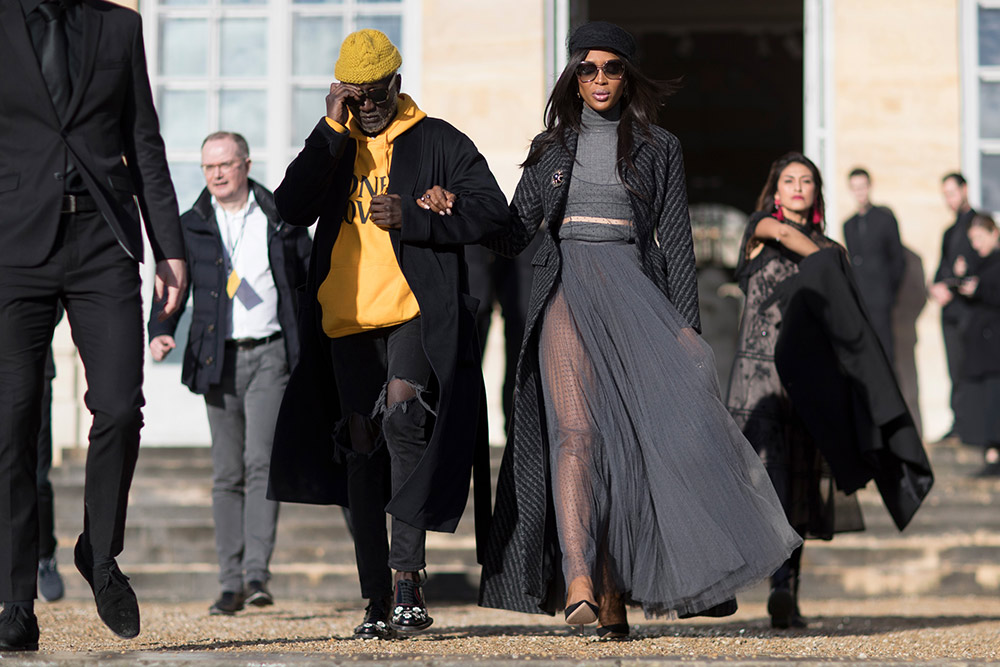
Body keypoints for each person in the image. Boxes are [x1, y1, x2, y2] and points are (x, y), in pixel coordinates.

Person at [478, 22, 801, 639]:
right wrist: (457, 210)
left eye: (612, 68)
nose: (599, 78)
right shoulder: (550, 147)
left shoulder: (661, 147)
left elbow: (676, 243)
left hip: (634, 292)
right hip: (566, 288)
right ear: (573, 76)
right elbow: (514, 230)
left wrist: (687, 329)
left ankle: (627, 587)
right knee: (575, 434)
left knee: (643, 444)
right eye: (588, 68)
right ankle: (579, 581)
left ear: (629, 75)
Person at [266, 30, 510, 640]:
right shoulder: (336, 144)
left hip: (411, 313)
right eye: (355, 96)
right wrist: (328, 130)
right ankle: (374, 597)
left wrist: (424, 216)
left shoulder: (437, 140)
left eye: (376, 94)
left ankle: (406, 582)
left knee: (404, 416)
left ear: (397, 85)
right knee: (361, 443)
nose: (366, 106)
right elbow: (290, 207)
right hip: (345, 322)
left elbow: (496, 215)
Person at [0, 0, 187, 651]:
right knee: (13, 418)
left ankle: (99, 554)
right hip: (14, 244)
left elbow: (144, 140)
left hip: (102, 240)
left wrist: (171, 247)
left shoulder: (120, 26)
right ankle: (14, 595)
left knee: (118, 405)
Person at [727, 152, 931, 630]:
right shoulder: (762, 228)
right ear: (775, 192)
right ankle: (772, 581)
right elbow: (786, 235)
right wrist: (828, 260)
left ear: (817, 192)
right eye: (789, 180)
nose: (798, 187)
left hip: (810, 380)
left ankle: (786, 590)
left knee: (799, 485)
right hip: (759, 380)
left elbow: (847, 326)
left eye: (807, 181)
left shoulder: (833, 249)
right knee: (770, 480)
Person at [148, 132, 311, 616]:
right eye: (208, 167)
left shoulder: (280, 216)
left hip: (272, 355)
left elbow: (308, 276)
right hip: (217, 359)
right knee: (226, 472)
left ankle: (257, 575)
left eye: (224, 164)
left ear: (245, 164)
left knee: (262, 463)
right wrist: (161, 328)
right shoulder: (191, 225)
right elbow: (174, 282)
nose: (216, 174)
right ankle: (229, 582)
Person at [930, 173, 977, 442]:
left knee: (971, 367)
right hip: (950, 312)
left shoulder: (978, 223)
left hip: (971, 311)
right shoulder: (949, 232)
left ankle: (971, 425)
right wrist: (935, 287)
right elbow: (941, 269)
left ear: (964, 190)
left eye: (952, 193)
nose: (949, 200)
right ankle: (959, 422)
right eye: (945, 195)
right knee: (955, 368)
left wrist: (962, 273)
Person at [842, 168, 905, 361]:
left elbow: (898, 260)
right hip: (859, 298)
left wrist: (889, 293)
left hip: (881, 298)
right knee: (862, 351)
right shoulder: (848, 225)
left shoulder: (885, 219)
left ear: (869, 187)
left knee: (885, 351)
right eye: (855, 188)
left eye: (863, 187)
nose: (860, 192)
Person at [954, 214, 1000, 475]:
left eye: (980, 238)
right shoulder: (979, 263)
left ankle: (995, 454)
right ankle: (990, 452)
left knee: (995, 399)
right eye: (973, 240)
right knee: (985, 400)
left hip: (995, 346)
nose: (976, 245)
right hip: (982, 346)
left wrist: (979, 289)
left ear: (994, 233)